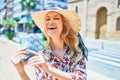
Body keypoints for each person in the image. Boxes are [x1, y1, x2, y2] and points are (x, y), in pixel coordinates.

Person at [11, 9, 88, 80]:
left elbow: (81, 78)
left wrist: (48, 69)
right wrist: (21, 71)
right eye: (47, 19)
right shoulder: (41, 56)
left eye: (56, 18)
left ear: (64, 25)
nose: (50, 22)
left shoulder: (76, 53)